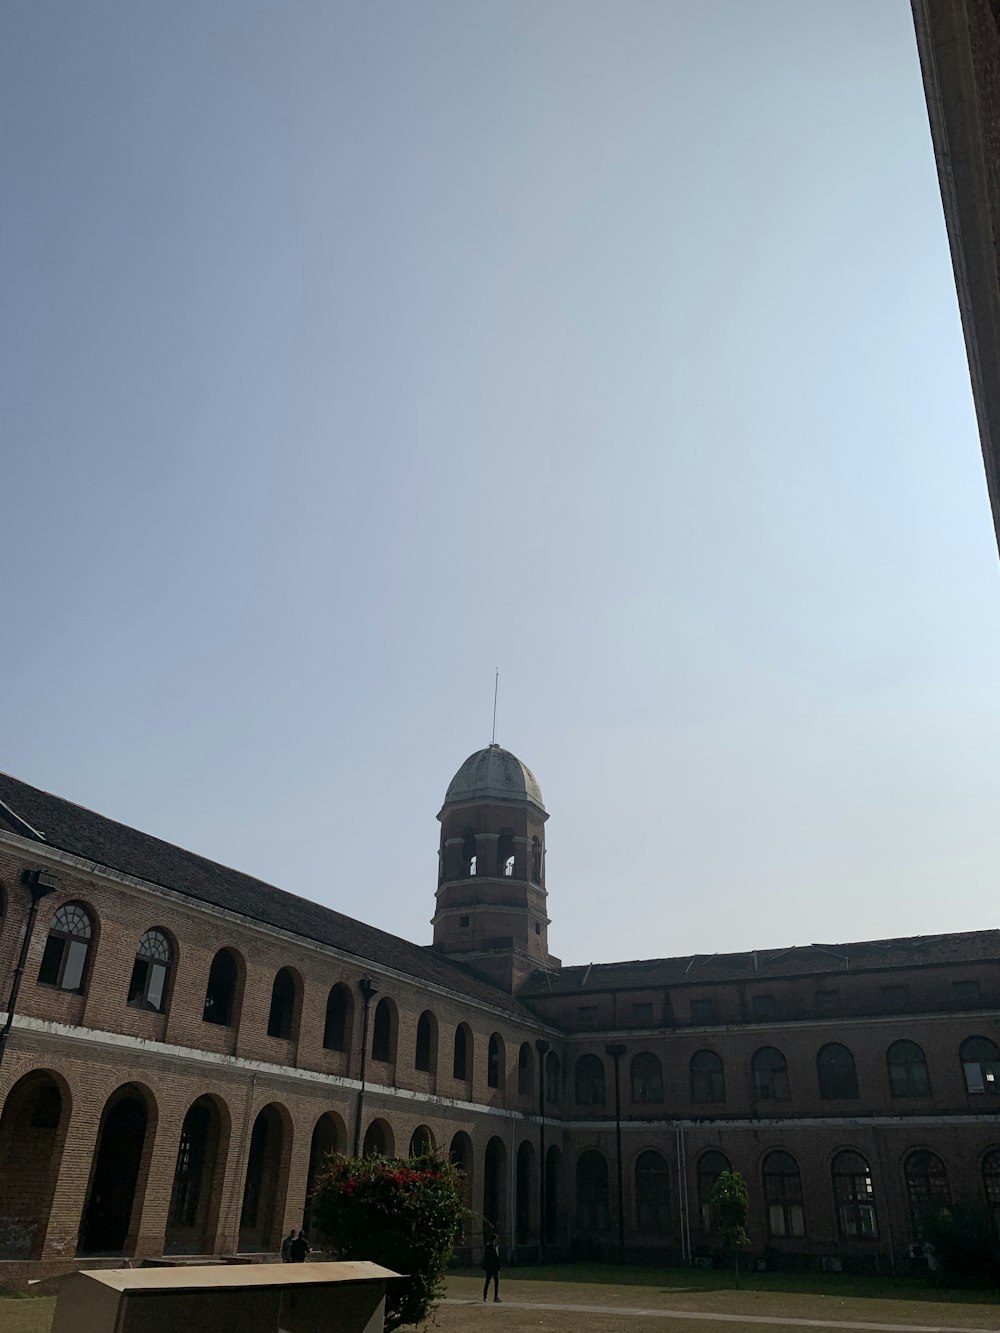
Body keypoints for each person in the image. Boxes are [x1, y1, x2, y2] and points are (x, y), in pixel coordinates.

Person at [481, 1236, 501, 1303]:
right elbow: (487, 1257)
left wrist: (498, 1266)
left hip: (495, 1267)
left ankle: (496, 1297)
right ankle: (485, 1296)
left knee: (496, 1282)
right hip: (490, 1267)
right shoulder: (488, 1247)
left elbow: (497, 1257)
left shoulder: (496, 1247)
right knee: (487, 1281)